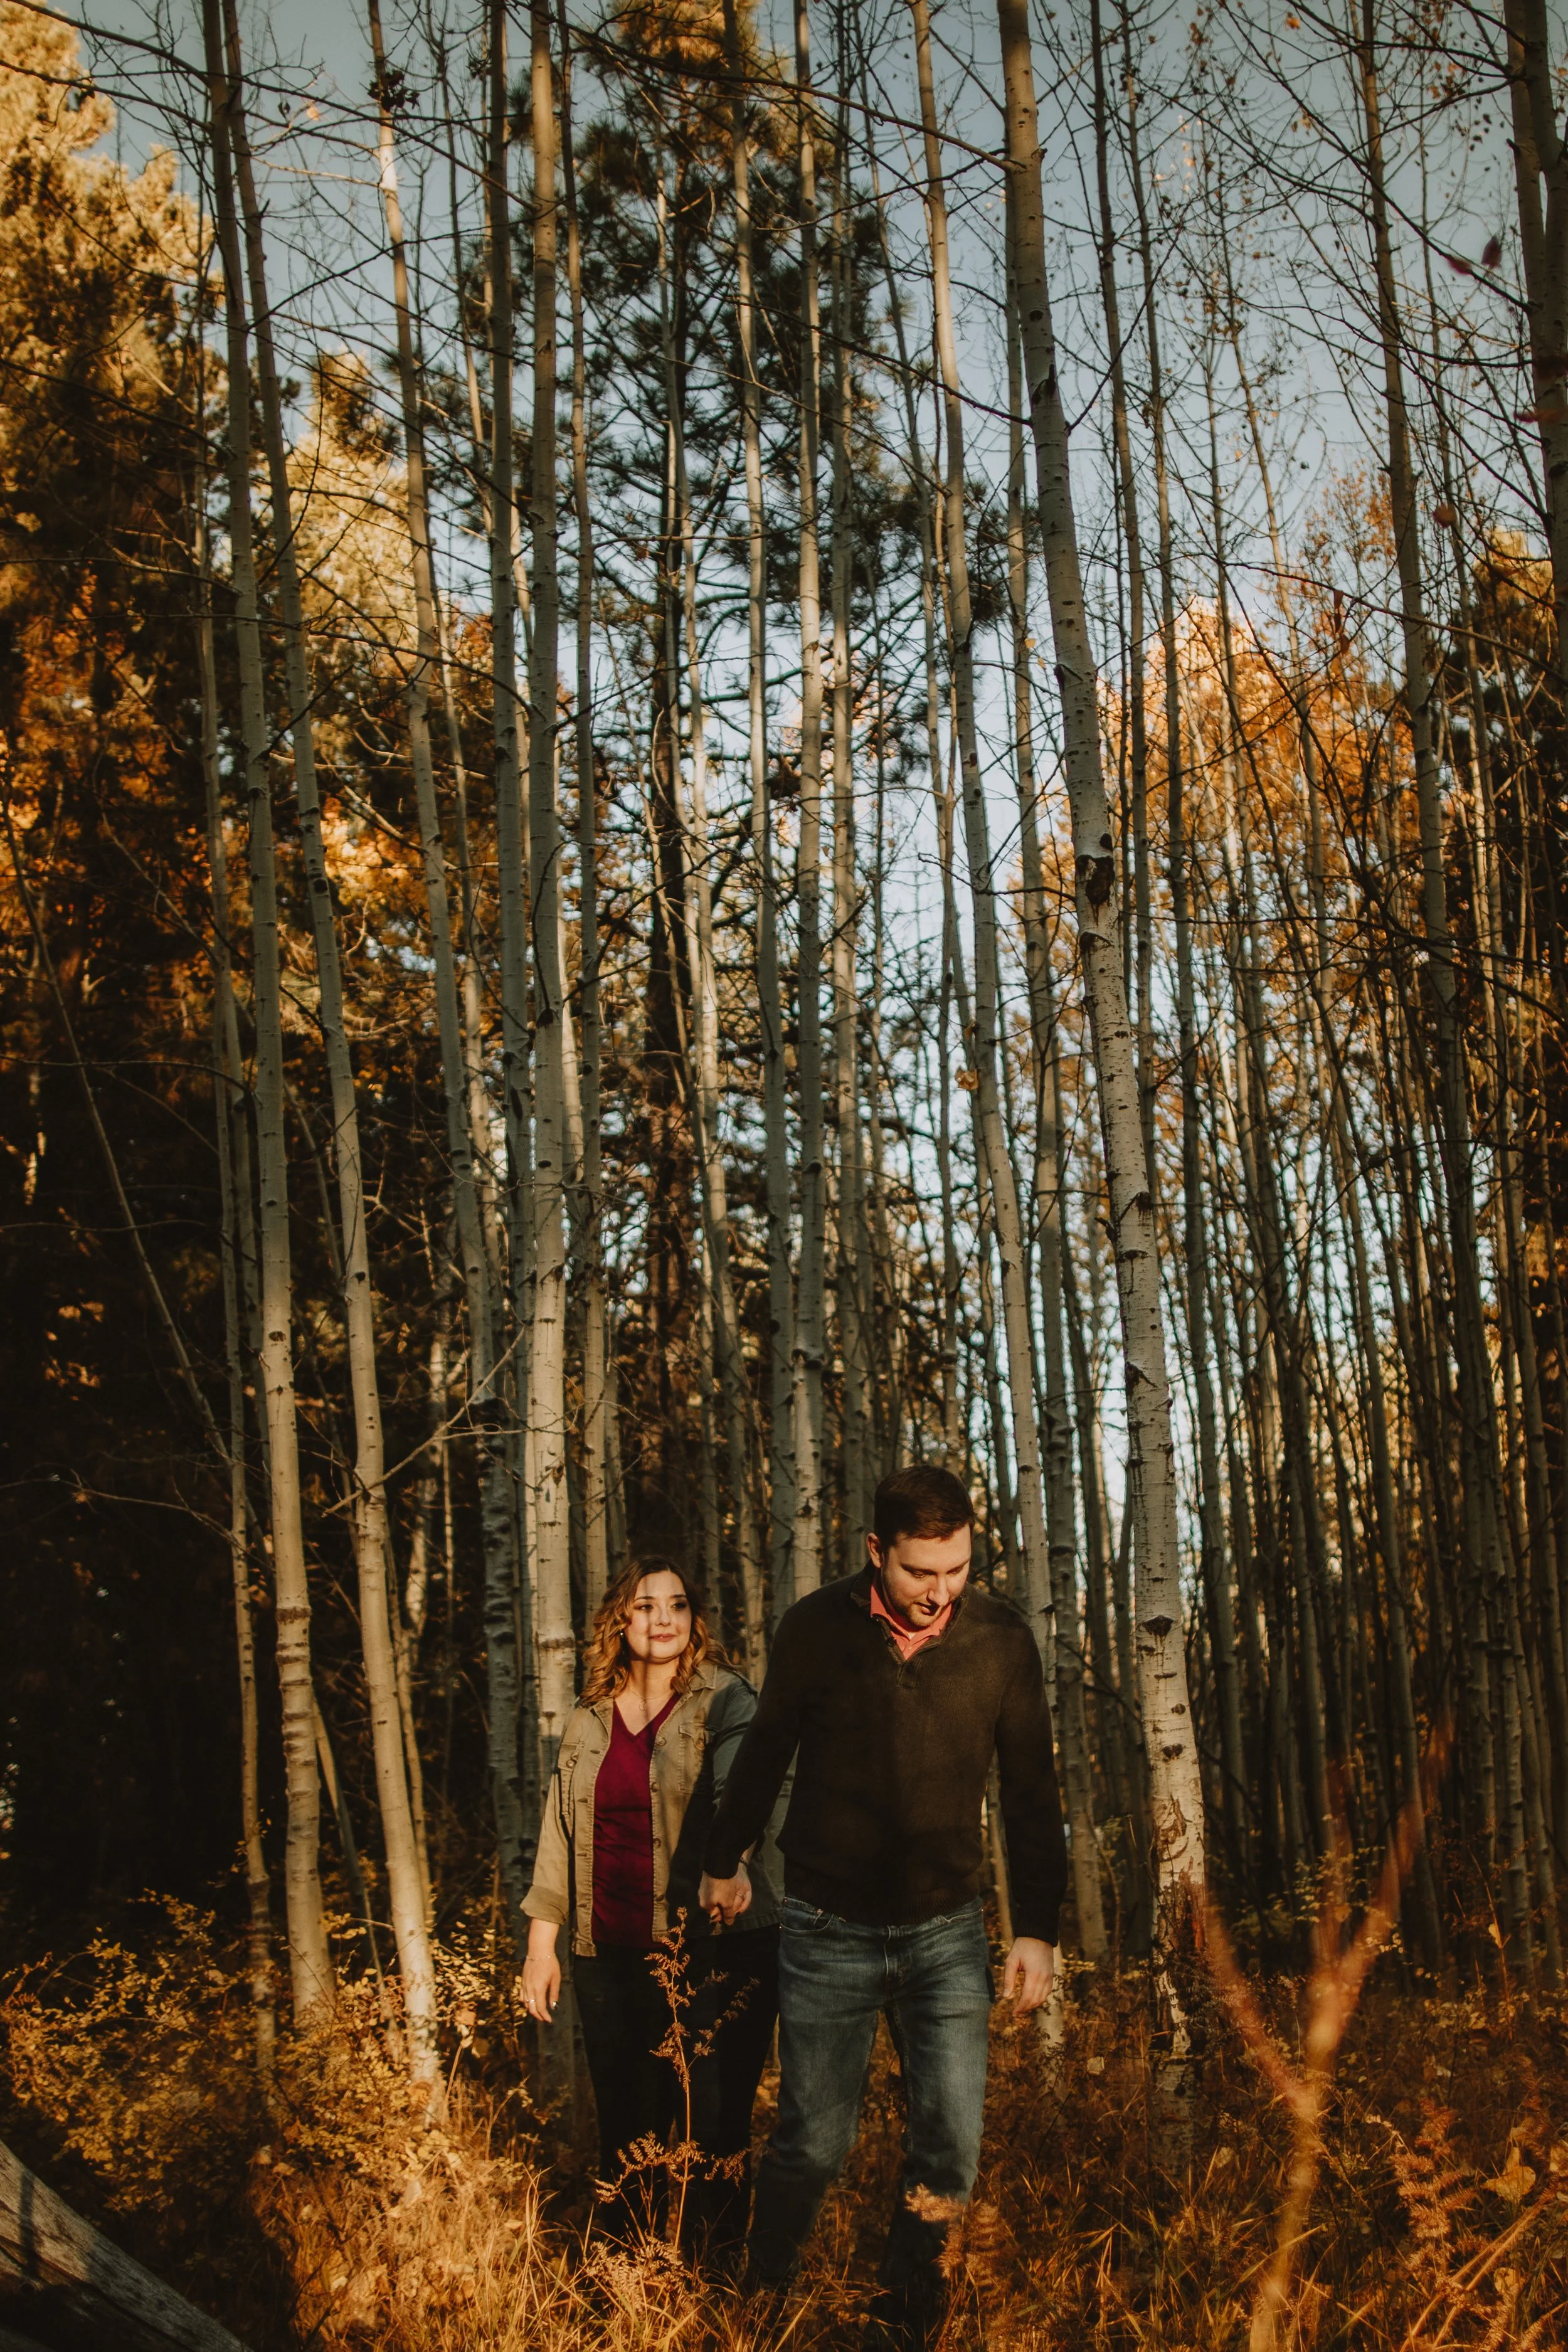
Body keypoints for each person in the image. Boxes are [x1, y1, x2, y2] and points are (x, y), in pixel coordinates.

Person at [698, 1464, 1066, 2348]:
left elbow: (1030, 1792)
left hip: (946, 1933)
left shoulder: (1003, 1641)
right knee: (811, 2145)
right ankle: (762, 2300)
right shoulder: (815, 1629)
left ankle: (903, 2318)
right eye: (918, 1572)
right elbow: (766, 1752)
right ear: (876, 1552)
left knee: (948, 2148)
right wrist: (723, 1857)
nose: (939, 1593)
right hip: (828, 1929)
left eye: (957, 1570)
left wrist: (1039, 1929)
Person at [521, 1556, 778, 2257]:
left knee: (712, 2133)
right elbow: (558, 1830)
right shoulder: (586, 1717)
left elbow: (742, 1793)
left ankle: (717, 2294)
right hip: (609, 1953)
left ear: (694, 1619)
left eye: (676, 1605)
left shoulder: (727, 1699)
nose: (661, 1619)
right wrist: (542, 1946)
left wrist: (734, 1865)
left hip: (716, 1947)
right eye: (644, 1606)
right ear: (619, 1620)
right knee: (627, 2134)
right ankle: (625, 2291)